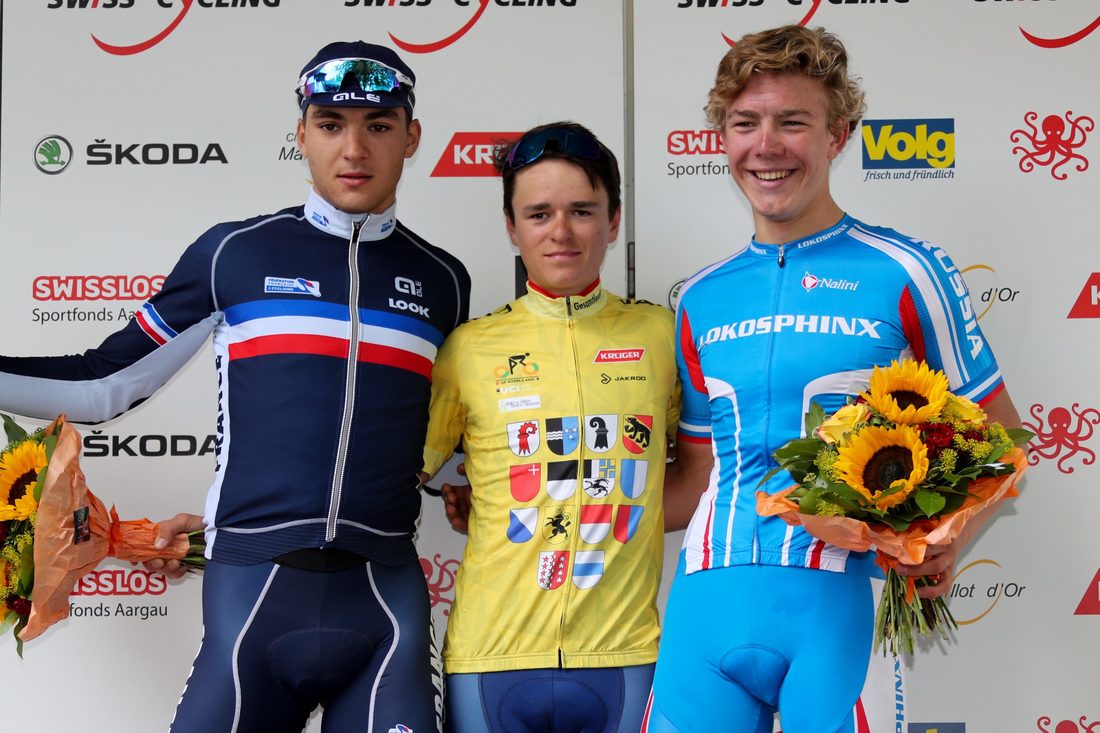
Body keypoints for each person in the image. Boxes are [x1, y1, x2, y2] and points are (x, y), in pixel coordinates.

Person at [0, 41, 469, 733]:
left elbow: (446, 443)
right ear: (301, 133)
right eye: (332, 124)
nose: (354, 148)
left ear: (412, 136)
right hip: (252, 594)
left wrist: (472, 481)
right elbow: (106, 384)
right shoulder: (236, 253)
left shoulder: (443, 279)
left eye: (378, 124)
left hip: (384, 604)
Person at [643, 25, 1024, 733]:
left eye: (793, 121)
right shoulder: (699, 296)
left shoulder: (907, 269)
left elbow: (1002, 440)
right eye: (745, 123)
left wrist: (945, 534)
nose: (766, 145)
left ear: (838, 135)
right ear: (722, 137)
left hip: (842, 603)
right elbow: (696, 476)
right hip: (706, 603)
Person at [420, 122, 679, 732]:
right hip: (490, 656)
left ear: (613, 221)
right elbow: (394, 478)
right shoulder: (468, 348)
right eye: (538, 214)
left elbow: (712, 467)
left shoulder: (662, 336)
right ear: (512, 227)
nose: (560, 231)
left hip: (624, 653)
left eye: (581, 211)